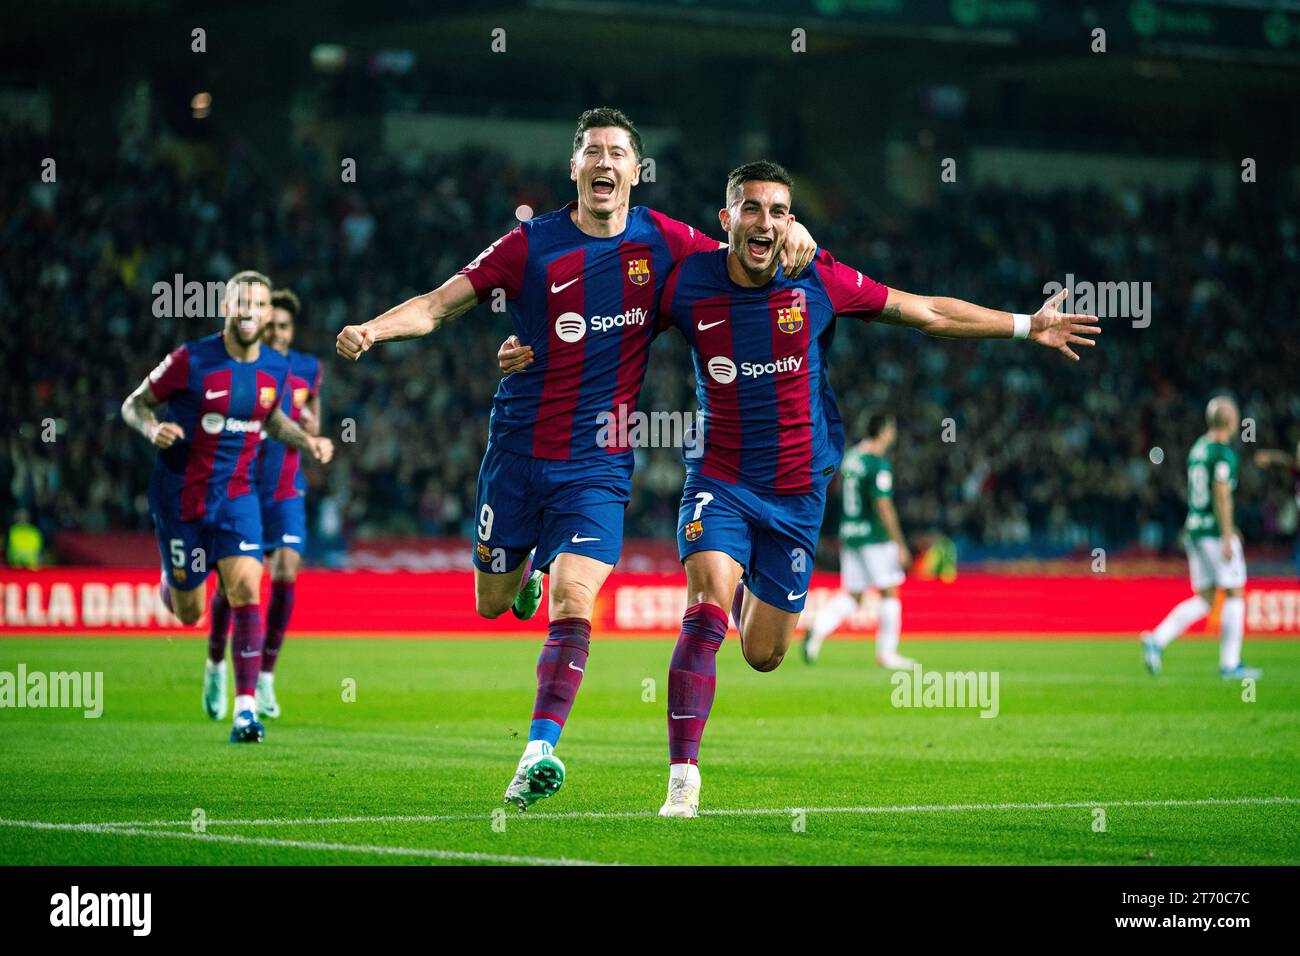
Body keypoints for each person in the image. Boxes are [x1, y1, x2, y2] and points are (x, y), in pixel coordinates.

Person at [337, 108, 817, 811]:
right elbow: (439, 306)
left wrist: (799, 232)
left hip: (599, 461)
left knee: (575, 599)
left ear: (633, 170)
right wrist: (374, 329)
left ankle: (538, 750)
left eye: (618, 152)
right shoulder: (529, 245)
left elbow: (748, 241)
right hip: (518, 450)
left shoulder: (665, 241)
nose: (604, 161)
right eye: (592, 150)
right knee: (492, 602)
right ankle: (522, 574)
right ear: (574, 168)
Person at [652, 161, 1099, 816]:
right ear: (726, 219)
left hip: (799, 494)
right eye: (751, 208)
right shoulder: (688, 279)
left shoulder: (818, 276)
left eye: (779, 210)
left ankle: (751, 579)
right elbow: (615, 321)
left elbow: (925, 312)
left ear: (791, 220)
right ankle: (683, 777)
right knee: (706, 605)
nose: (765, 221)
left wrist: (1025, 325)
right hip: (719, 475)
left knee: (764, 654)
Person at [121, 271, 334, 742]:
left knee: (245, 588)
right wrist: (152, 429)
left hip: (238, 494)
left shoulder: (276, 369)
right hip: (182, 497)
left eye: (258, 305)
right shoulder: (190, 360)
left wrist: (308, 441)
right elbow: (133, 405)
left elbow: (273, 419)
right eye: (242, 303)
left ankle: (245, 711)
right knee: (189, 612)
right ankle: (173, 584)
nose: (249, 312)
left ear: (265, 312)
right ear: (226, 307)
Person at [206, 288, 324, 720]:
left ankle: (268, 675)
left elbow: (313, 416)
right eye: (271, 324)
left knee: (287, 569)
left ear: (292, 331)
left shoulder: (309, 369)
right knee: (234, 585)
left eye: (284, 326)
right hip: (242, 486)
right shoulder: (242, 368)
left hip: (286, 489)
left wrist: (313, 428)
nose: (277, 332)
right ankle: (216, 662)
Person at [1142, 397, 1260, 679]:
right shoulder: (1222, 454)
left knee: (1206, 598)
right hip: (1213, 533)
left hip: (1193, 529)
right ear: (1231, 421)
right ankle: (1230, 664)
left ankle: (1157, 640)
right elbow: (1221, 496)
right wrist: (1228, 534)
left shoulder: (1198, 448)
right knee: (1235, 592)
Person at [803, 413, 915, 669]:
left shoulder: (851, 458)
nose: (893, 434)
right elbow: (883, 504)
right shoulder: (878, 464)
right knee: (889, 590)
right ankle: (887, 654)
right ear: (884, 430)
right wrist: (899, 542)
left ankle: (817, 628)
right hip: (874, 536)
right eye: (891, 428)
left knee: (854, 595)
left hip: (850, 533)